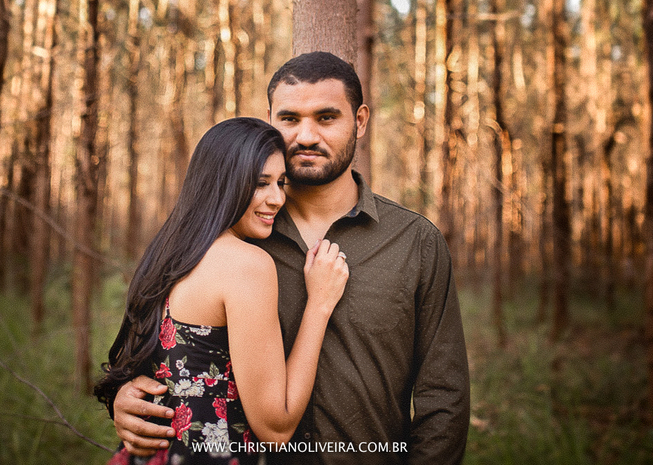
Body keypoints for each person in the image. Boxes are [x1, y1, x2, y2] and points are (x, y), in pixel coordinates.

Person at [111, 52, 470, 464]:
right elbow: (155, 347)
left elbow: (445, 396)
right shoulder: (239, 240)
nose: (306, 136)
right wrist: (126, 398)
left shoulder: (414, 242)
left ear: (360, 121)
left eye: (326, 118)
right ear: (270, 121)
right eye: (290, 119)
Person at [95, 116, 350, 464]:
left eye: (280, 182)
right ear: (223, 183)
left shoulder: (168, 255)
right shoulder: (247, 265)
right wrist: (319, 304)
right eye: (260, 183)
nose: (276, 198)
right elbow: (276, 429)